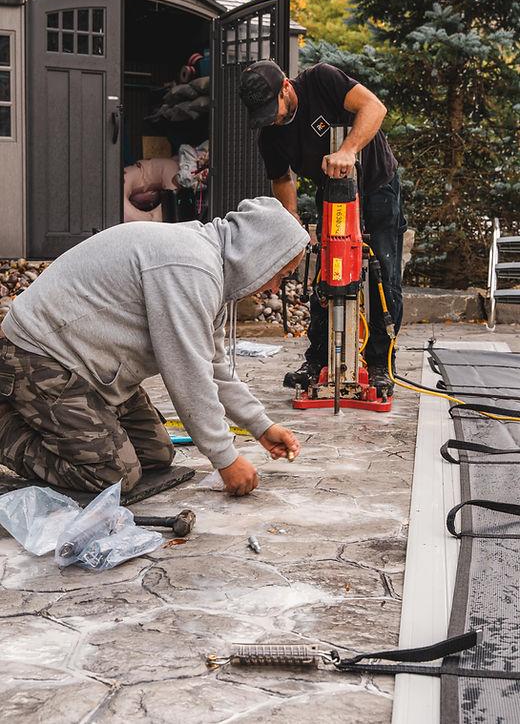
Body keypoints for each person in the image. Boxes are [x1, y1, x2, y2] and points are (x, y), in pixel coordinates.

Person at [0, 197, 308, 497]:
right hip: (38, 356)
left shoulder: (209, 270)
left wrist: (262, 426)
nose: (274, 288)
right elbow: (189, 376)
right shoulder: (191, 268)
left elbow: (214, 368)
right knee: (113, 474)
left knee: (156, 454)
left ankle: (47, 418)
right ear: (260, 255)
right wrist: (225, 458)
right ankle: (6, 428)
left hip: (86, 367)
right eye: (280, 275)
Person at [239, 60, 406, 396]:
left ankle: (379, 365)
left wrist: (347, 150)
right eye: (266, 115)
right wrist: (293, 224)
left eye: (276, 108)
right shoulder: (270, 133)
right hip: (332, 192)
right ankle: (318, 360)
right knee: (328, 271)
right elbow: (282, 178)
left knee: (383, 273)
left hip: (376, 185)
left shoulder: (321, 80)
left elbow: (374, 107)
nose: (274, 118)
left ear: (286, 86)